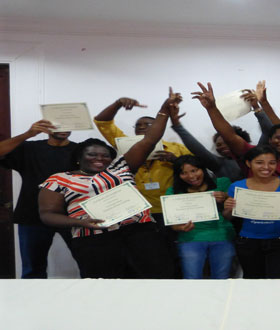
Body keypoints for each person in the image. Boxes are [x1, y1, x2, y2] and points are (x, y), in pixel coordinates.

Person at [38, 89, 180, 278]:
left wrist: (164, 110)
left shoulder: (121, 167)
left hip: (141, 234)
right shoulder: (59, 179)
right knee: (105, 289)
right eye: (92, 154)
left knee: (155, 281)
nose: (100, 158)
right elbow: (47, 215)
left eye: (105, 155)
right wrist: (79, 222)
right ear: (79, 158)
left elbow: (149, 140)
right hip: (93, 240)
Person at [93, 97, 192, 228]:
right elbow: (102, 122)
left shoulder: (175, 148)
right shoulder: (126, 145)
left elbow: (198, 169)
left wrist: (176, 160)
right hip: (136, 209)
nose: (142, 127)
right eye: (138, 125)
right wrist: (117, 104)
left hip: (172, 207)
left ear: (159, 127)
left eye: (148, 125)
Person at [0, 121, 77, 278]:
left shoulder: (81, 150)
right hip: (32, 216)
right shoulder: (30, 148)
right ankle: (31, 302)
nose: (64, 127)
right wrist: (28, 134)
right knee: (32, 270)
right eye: (58, 123)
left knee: (89, 264)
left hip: (74, 216)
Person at [222, 145, 280, 279]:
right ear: (248, 163)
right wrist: (229, 208)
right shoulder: (237, 186)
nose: (266, 167)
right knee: (253, 281)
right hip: (248, 241)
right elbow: (228, 217)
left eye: (272, 163)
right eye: (259, 163)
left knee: (279, 281)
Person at [166, 155, 235, 279]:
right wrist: (181, 228)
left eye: (194, 170)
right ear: (178, 175)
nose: (191, 176)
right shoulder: (172, 192)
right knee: (192, 279)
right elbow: (173, 225)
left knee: (222, 279)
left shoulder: (222, 183)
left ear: (203, 169)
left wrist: (226, 197)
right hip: (190, 238)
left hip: (221, 235)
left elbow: (230, 215)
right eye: (184, 173)